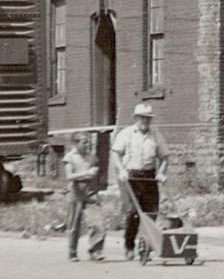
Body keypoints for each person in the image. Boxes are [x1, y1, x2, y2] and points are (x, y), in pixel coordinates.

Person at [110, 103, 169, 261]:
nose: (145, 121)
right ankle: (129, 246)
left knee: (151, 213)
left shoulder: (155, 134)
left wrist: (162, 172)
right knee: (134, 214)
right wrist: (121, 169)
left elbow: (164, 157)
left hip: (149, 176)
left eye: (148, 118)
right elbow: (115, 153)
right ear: (136, 118)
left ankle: (145, 247)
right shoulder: (127, 133)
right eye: (142, 117)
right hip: (131, 176)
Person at [63, 131, 105, 262]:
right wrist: (86, 173)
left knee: (98, 223)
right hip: (75, 194)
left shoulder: (92, 157)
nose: (87, 145)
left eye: (88, 142)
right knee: (74, 225)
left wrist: (91, 175)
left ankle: (95, 251)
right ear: (76, 143)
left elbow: (96, 173)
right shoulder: (69, 157)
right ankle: (72, 252)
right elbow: (69, 176)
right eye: (84, 142)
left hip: (91, 193)